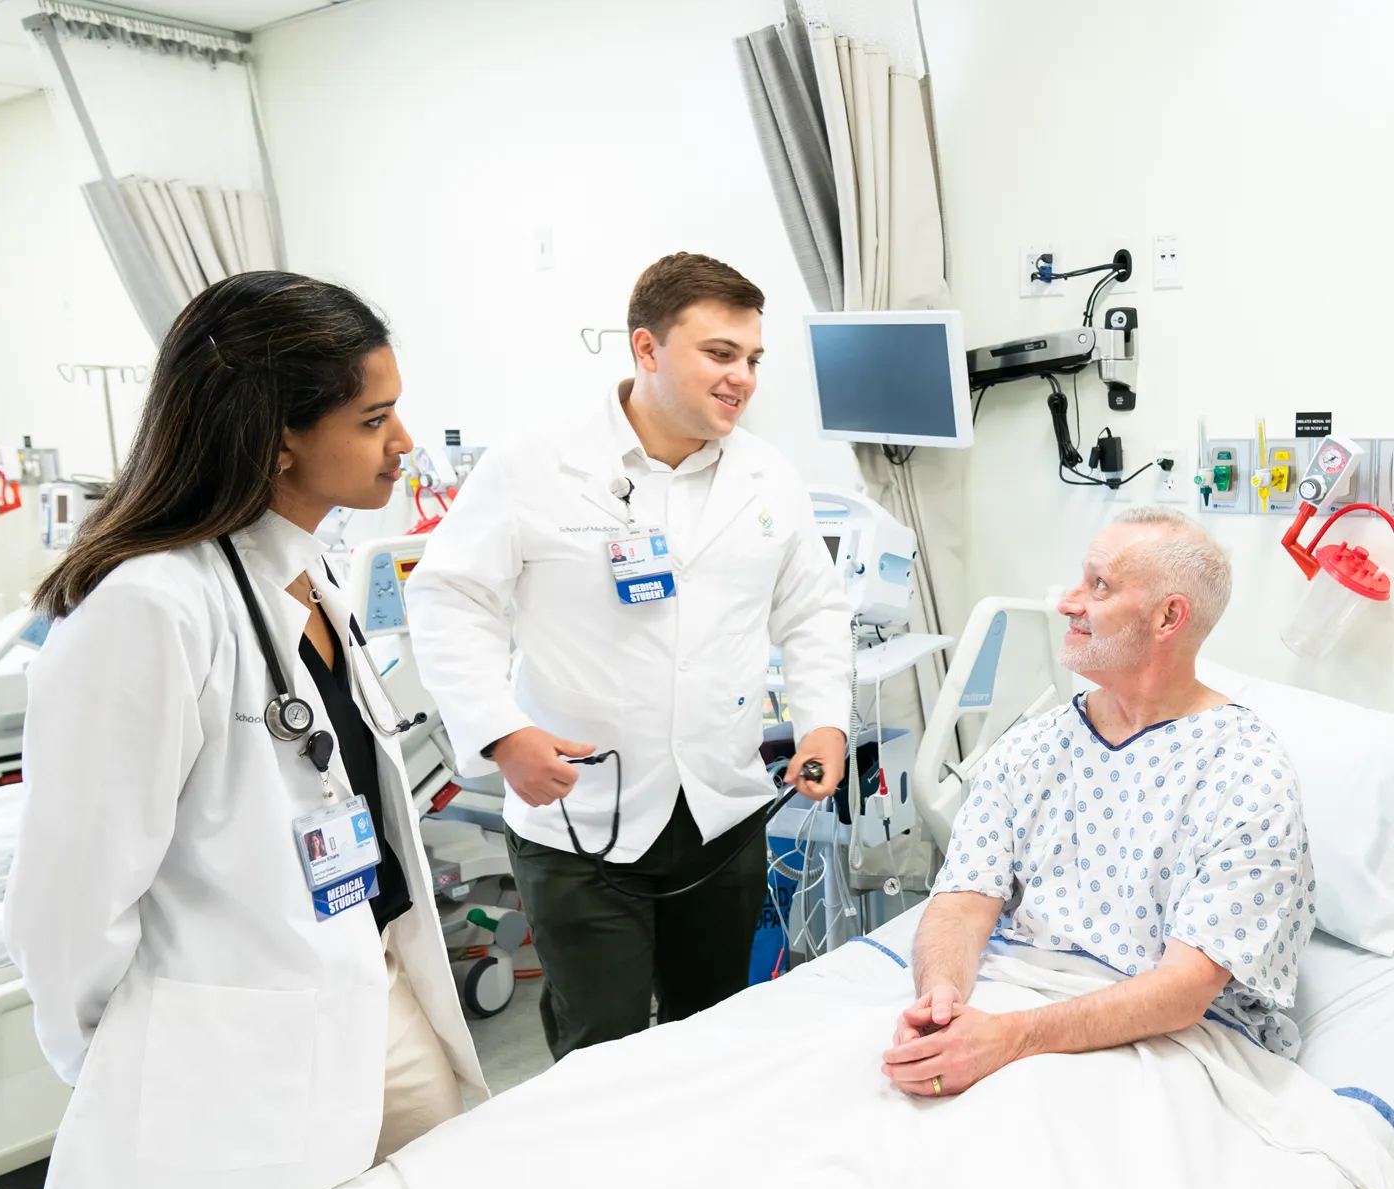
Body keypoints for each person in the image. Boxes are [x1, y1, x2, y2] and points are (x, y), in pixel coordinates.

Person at [6, 272, 483, 1189]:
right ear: (279, 442)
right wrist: (148, 1051)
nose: (404, 444)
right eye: (373, 419)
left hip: (377, 991)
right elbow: (67, 907)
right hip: (233, 1059)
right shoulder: (151, 607)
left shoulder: (307, 575)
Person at [408, 252, 852, 1060]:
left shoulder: (768, 477)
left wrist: (826, 722)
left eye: (752, 359)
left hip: (721, 811)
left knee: (713, 1034)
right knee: (599, 1046)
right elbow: (448, 598)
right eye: (719, 354)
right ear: (646, 350)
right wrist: (501, 733)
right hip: (579, 815)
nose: (742, 378)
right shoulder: (536, 466)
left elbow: (814, 610)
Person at [882, 506, 1315, 1097]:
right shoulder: (1032, 746)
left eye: (1099, 585)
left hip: (1166, 1036)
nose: (1068, 601)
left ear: (1169, 617)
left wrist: (1006, 1040)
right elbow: (961, 900)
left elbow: (1186, 989)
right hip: (1011, 990)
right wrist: (941, 1000)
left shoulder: (1245, 771)